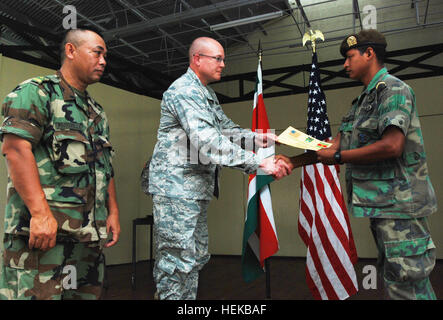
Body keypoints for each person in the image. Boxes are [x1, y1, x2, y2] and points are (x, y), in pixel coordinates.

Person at [277, 29, 437, 300]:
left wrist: (338, 158)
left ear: (369, 53)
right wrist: (291, 161)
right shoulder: (362, 102)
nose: (345, 64)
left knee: (408, 285)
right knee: (398, 282)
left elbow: (392, 146)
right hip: (383, 209)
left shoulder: (393, 90)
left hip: (401, 210)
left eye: (350, 57)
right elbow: (333, 146)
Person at [148, 36, 290, 300]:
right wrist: (258, 162)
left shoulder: (205, 93)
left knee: (194, 257)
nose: (223, 64)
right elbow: (207, 140)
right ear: (197, 59)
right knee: (177, 263)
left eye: (224, 58)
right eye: (218, 58)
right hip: (176, 191)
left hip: (193, 190)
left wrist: (258, 138)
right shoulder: (184, 90)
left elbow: (225, 130)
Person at [0, 26, 120, 300]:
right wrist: (40, 214)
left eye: (105, 56)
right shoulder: (37, 92)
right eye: (97, 53)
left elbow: (106, 167)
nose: (103, 61)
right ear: (71, 50)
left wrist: (112, 212)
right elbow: (16, 149)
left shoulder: (96, 112)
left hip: (87, 240)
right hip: (44, 238)